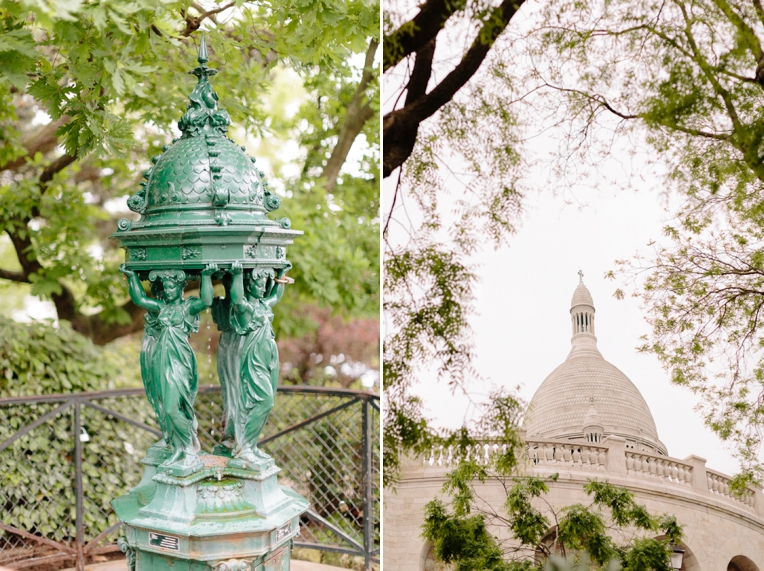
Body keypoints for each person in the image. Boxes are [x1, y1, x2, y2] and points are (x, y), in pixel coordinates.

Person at [120, 263, 218, 471]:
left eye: (172, 286)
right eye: (165, 286)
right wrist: (131, 277)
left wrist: (207, 277)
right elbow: (140, 299)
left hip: (179, 361)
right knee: (166, 405)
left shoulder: (187, 307)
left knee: (175, 408)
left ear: (180, 287)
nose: (168, 290)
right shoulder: (162, 308)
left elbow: (206, 300)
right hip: (162, 360)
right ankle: (178, 449)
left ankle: (189, 448)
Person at [229, 260, 291, 463]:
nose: (263, 287)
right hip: (254, 358)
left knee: (267, 400)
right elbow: (237, 299)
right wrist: (237, 275)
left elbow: (276, 295)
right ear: (249, 285)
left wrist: (281, 274)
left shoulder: (264, 305)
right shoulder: (246, 308)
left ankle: (250, 445)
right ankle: (244, 445)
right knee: (264, 401)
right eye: (258, 283)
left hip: (270, 358)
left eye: (265, 283)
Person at [211, 272, 242, 455]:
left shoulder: (243, 305)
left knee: (237, 388)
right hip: (227, 344)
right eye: (227, 282)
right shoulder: (220, 303)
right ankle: (229, 433)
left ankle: (237, 434)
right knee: (228, 388)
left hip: (239, 343)